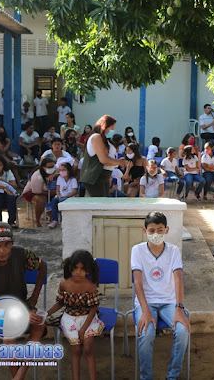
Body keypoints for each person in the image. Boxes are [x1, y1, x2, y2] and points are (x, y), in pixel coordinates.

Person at [0, 222, 47, 379]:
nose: (3, 250)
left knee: (40, 322)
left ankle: (19, 374)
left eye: (7, 244)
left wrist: (34, 297)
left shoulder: (21, 254)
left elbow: (43, 266)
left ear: (12, 243)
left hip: (19, 304)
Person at [130, 212, 190, 380]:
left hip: (169, 302)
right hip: (145, 303)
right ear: (145, 231)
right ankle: (146, 377)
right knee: (146, 333)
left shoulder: (173, 251)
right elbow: (138, 283)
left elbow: (178, 280)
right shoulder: (137, 250)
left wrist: (179, 308)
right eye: (152, 230)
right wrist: (146, 310)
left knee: (183, 331)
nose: (156, 234)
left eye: (160, 230)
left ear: (167, 230)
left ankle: (172, 376)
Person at [46, 250, 104, 378]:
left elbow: (93, 309)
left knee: (88, 349)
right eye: (75, 268)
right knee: (76, 350)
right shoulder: (64, 285)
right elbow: (60, 303)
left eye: (82, 269)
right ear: (70, 268)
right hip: (70, 319)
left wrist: (83, 329)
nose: (78, 272)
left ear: (88, 271)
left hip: (87, 318)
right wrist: (46, 313)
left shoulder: (90, 287)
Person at [80, 115, 128, 197]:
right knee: (97, 205)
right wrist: (119, 162)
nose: (112, 131)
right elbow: (104, 159)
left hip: (104, 177)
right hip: (96, 178)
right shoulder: (96, 137)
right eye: (111, 129)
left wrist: (117, 162)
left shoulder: (105, 139)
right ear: (104, 127)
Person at [22, 157, 58, 227]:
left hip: (49, 191)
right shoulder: (37, 176)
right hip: (32, 192)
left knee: (55, 198)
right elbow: (37, 191)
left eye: (52, 166)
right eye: (49, 167)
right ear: (44, 167)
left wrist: (55, 174)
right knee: (41, 200)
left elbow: (63, 171)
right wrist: (52, 192)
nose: (51, 168)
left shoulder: (55, 169)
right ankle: (37, 221)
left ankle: (52, 218)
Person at [48, 162, 78, 228]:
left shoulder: (73, 179)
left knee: (63, 202)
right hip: (60, 196)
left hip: (69, 198)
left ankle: (63, 221)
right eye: (60, 170)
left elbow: (74, 191)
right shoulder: (60, 178)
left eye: (63, 170)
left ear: (69, 170)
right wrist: (58, 195)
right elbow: (57, 189)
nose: (61, 172)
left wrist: (65, 196)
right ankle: (54, 220)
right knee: (54, 201)